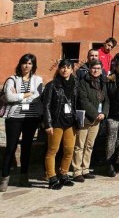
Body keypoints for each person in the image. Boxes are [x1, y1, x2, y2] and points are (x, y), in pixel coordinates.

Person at [0, 54, 43, 192]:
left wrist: (18, 97)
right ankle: (5, 178)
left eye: (30, 63)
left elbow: (37, 96)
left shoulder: (38, 80)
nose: (27, 66)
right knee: (10, 148)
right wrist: (26, 94)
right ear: (20, 64)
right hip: (14, 118)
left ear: (33, 66)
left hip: (31, 118)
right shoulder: (12, 79)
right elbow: (9, 96)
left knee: (27, 148)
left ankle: (24, 177)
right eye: (24, 63)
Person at [43, 59, 78, 190]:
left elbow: (76, 103)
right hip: (56, 122)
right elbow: (46, 105)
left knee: (69, 150)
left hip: (70, 123)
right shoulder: (52, 85)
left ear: (72, 70)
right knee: (52, 150)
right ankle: (52, 178)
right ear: (59, 69)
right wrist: (48, 124)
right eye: (63, 67)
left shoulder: (75, 84)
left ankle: (63, 174)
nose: (65, 70)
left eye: (68, 67)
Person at [72, 59, 109, 182]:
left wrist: (104, 113)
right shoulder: (83, 82)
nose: (96, 70)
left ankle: (85, 169)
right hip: (86, 118)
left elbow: (106, 100)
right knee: (79, 145)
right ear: (89, 69)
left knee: (89, 145)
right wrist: (95, 114)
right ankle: (77, 171)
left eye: (98, 68)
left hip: (98, 119)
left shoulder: (103, 82)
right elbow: (83, 100)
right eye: (94, 68)